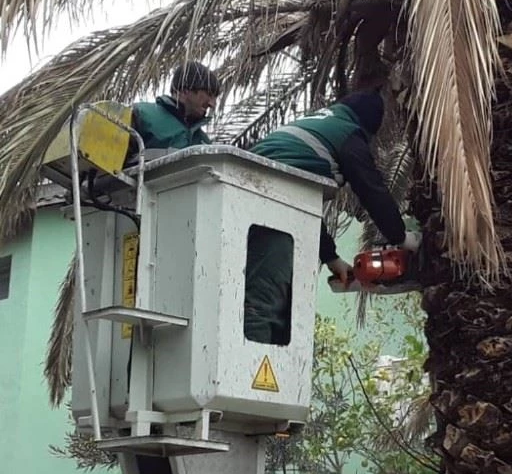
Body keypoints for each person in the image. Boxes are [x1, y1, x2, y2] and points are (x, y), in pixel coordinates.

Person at [243, 91, 420, 344]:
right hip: (273, 200)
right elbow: (372, 189)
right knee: (265, 297)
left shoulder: (316, 124)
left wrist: (331, 258)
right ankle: (251, 374)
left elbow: (304, 206)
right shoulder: (348, 133)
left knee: (271, 291)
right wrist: (401, 238)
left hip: (251, 195)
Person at [131, 61, 220, 151]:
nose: (212, 104)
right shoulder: (141, 114)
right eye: (209, 94)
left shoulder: (204, 141)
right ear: (185, 91)